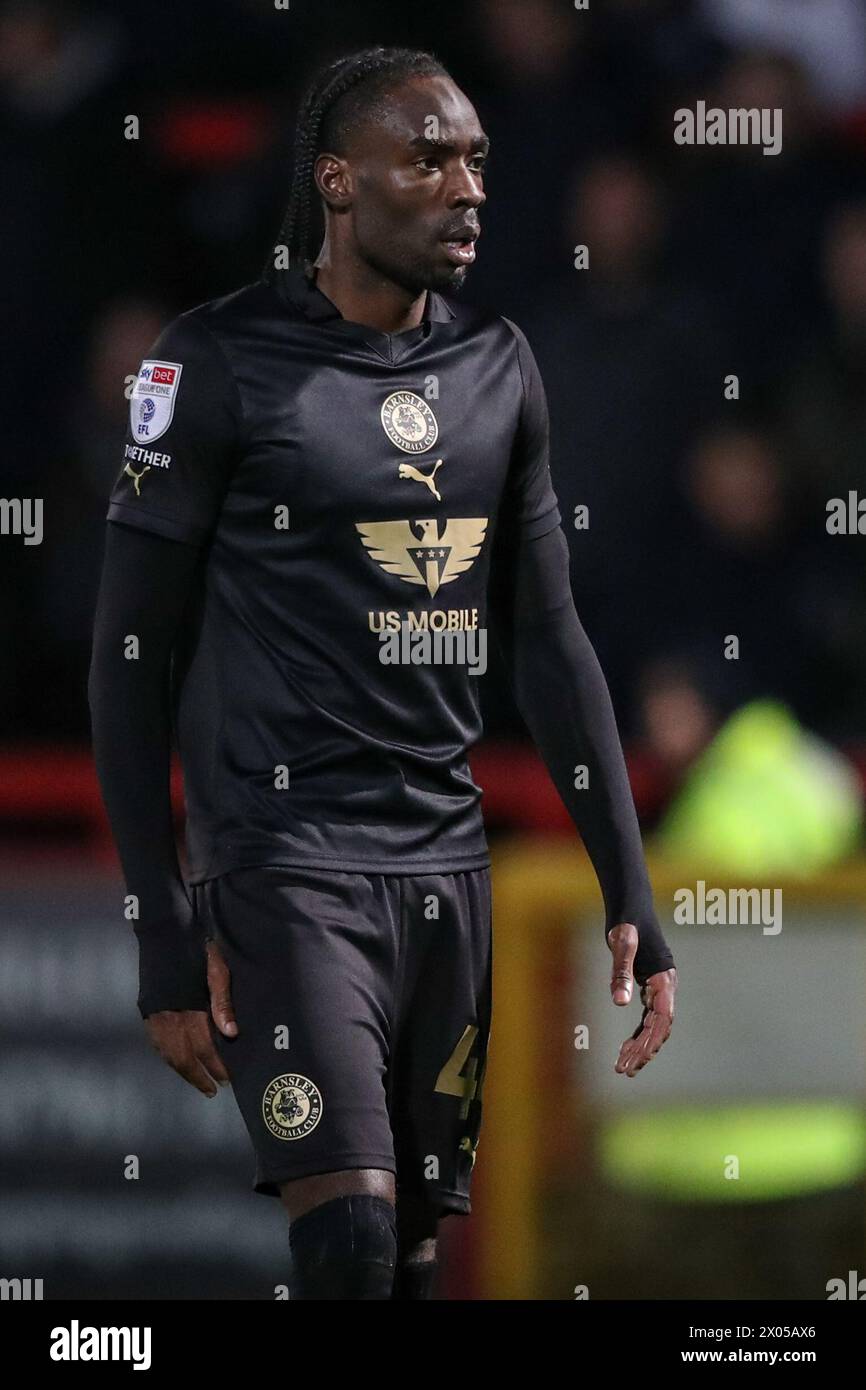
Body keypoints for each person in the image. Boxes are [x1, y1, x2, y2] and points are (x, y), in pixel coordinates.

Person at [88, 45, 677, 1302]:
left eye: (475, 160)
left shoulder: (501, 366)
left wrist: (626, 879)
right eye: (427, 157)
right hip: (283, 863)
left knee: (409, 1260)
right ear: (337, 182)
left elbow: (548, 640)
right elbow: (130, 656)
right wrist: (160, 919)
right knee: (347, 1239)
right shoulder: (211, 364)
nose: (466, 186)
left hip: (444, 870)